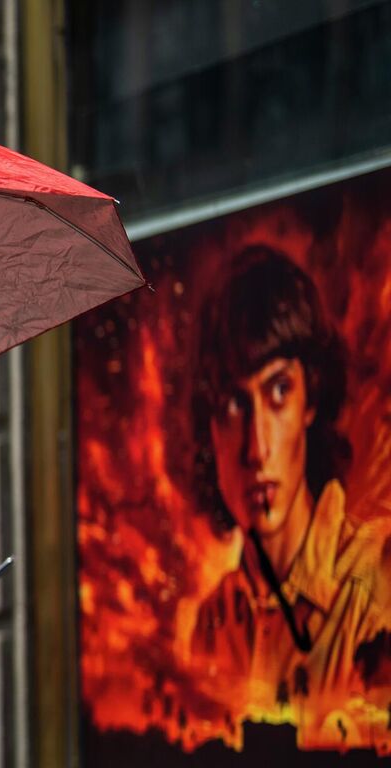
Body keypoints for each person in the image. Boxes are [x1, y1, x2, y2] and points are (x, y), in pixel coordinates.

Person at [186, 246, 391, 750]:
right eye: (234, 404)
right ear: (208, 429)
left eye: (278, 391)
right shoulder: (212, 626)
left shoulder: (376, 581)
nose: (257, 447)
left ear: (310, 401)